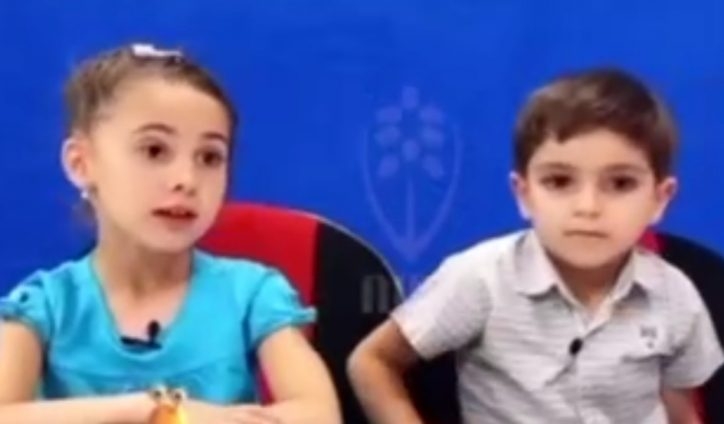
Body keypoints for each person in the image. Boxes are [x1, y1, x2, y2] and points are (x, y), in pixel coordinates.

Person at [347, 68, 723, 423]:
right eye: (559, 182)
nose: (587, 207)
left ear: (660, 199)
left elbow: (680, 407)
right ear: (524, 194)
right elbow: (372, 361)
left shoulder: (675, 295)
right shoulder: (479, 278)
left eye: (621, 183)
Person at [0, 43, 340, 424]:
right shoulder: (44, 306)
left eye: (210, 157)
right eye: (154, 150)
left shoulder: (252, 294)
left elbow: (319, 416)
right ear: (81, 163)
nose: (186, 180)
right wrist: (151, 410)